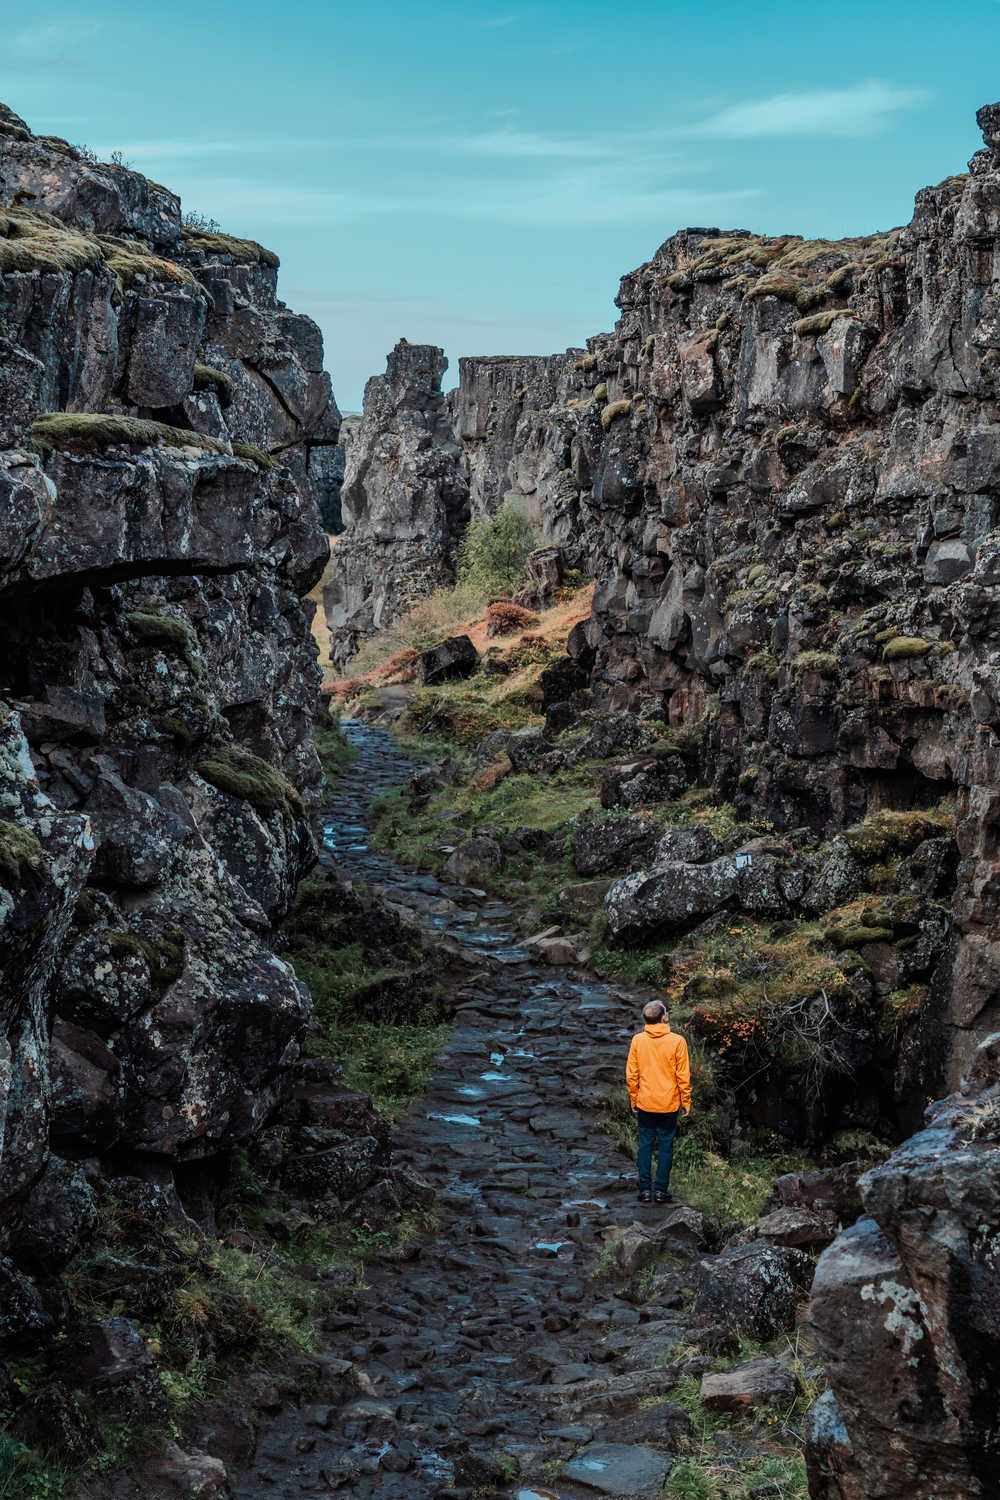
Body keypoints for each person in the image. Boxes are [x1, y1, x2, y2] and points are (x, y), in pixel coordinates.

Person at [625, 1000, 691, 1204]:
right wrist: (686, 1101)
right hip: (668, 1103)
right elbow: (683, 1075)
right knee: (665, 1146)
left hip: (645, 1101)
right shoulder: (677, 1041)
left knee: (644, 1145)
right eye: (666, 1011)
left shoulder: (638, 1040)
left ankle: (645, 1190)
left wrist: (633, 1098)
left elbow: (632, 1074)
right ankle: (661, 1191)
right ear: (663, 1017)